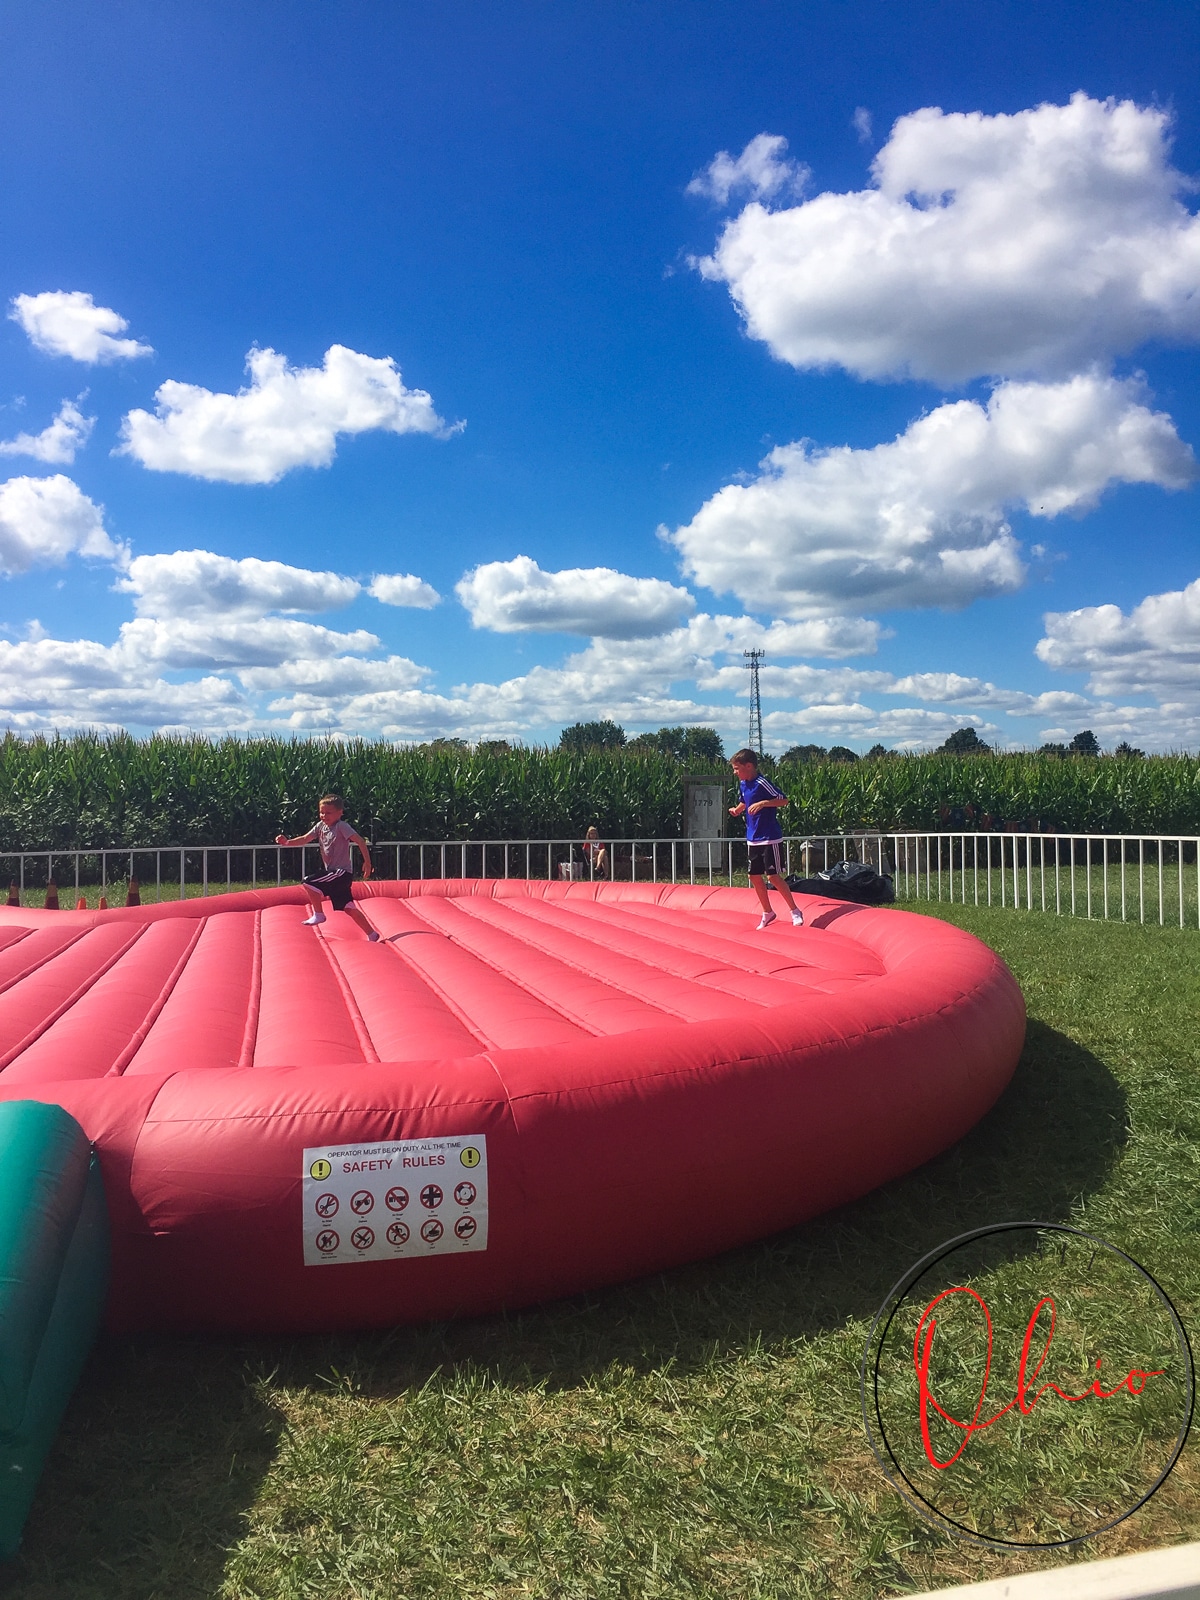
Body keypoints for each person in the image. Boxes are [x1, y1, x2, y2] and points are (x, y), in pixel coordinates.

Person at [275, 794, 380, 940]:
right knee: (349, 907)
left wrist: (367, 862)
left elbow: (360, 841)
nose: (324, 816)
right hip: (335, 874)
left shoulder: (341, 826)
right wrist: (287, 842)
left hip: (341, 872)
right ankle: (372, 934)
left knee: (308, 881)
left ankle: (319, 914)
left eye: (328, 813)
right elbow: (305, 839)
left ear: (340, 813)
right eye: (321, 812)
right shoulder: (320, 826)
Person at [728, 749, 803, 930]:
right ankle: (767, 911)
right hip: (753, 837)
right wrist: (738, 810)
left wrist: (763, 803)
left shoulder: (762, 783)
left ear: (749, 766)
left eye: (737, 768)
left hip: (769, 837)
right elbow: (745, 801)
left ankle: (795, 911)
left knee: (773, 876)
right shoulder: (744, 784)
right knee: (753, 875)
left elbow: (783, 800)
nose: (735, 772)